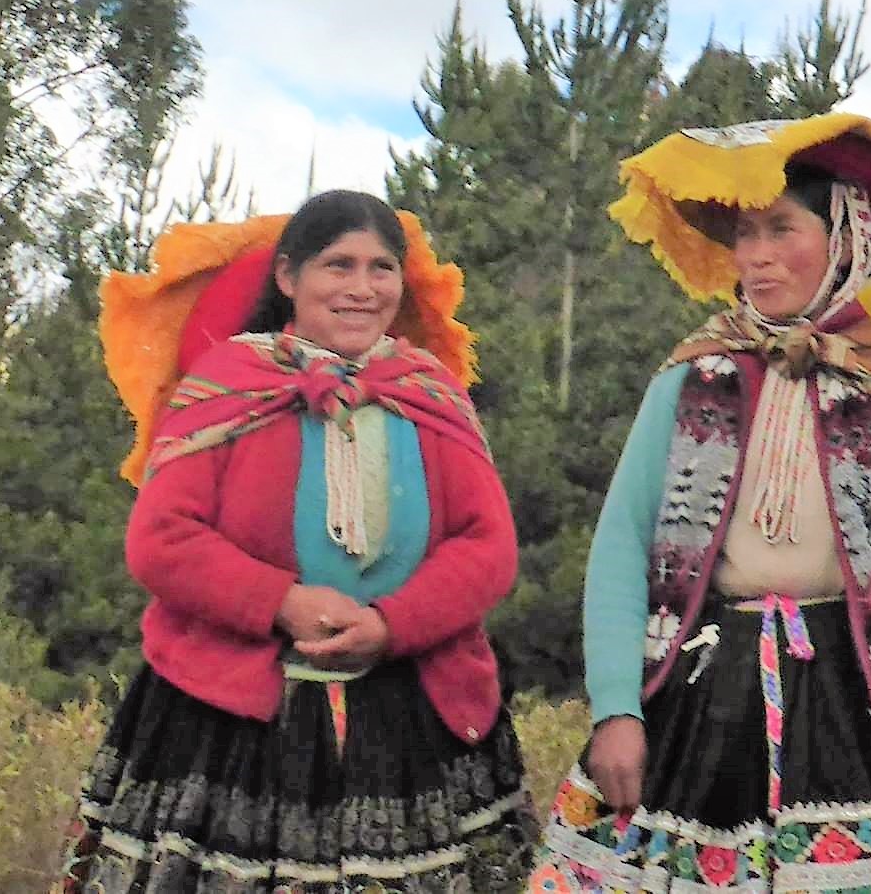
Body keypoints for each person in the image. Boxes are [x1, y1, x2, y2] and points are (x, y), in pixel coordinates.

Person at [527, 113, 871, 894]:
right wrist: (615, 708)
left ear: (844, 236)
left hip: (863, 694)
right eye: (743, 236)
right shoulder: (693, 374)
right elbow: (624, 546)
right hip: (709, 703)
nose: (756, 256)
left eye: (780, 228)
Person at [66, 190, 534, 892]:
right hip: (231, 721)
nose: (361, 288)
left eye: (380, 268)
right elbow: (162, 539)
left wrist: (390, 625)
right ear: (288, 277)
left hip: (411, 715)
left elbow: (487, 545)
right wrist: (279, 602)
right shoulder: (226, 387)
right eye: (337, 265)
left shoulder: (428, 394)